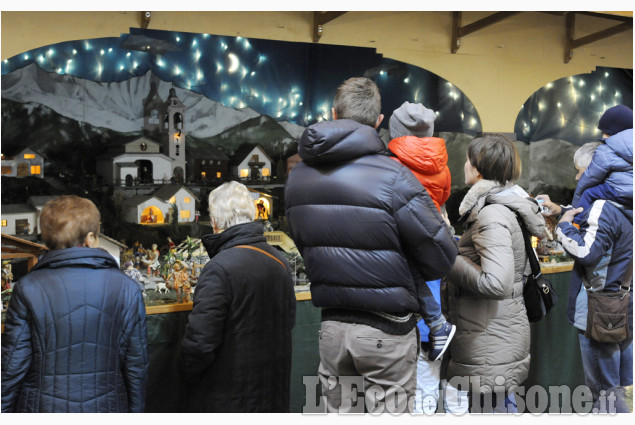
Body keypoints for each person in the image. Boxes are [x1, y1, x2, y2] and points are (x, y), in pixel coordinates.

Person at [285, 77, 458, 413]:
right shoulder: (394, 178)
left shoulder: (298, 178)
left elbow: (302, 238)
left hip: (333, 326)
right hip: (387, 331)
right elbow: (442, 255)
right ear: (379, 121)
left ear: (334, 113)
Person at [1, 195, 149, 413]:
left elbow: (11, 366)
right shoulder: (127, 289)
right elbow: (136, 367)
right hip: (107, 408)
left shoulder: (27, 288)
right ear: (90, 238)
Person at [445, 134, 546, 413]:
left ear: (477, 168)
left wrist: (447, 257)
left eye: (467, 160)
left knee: (494, 409)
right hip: (495, 331)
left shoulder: (492, 214)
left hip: (491, 335)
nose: (464, 165)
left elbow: (496, 282)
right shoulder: (500, 206)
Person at [180, 181, 296, 412]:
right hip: (274, 396)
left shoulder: (219, 268)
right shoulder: (280, 262)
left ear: (215, 222)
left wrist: (185, 374)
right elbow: (289, 323)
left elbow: (200, 343)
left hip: (227, 399)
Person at [537, 142, 633, 413]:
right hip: (624, 304)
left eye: (581, 171)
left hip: (600, 309)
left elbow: (587, 252)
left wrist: (564, 225)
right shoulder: (626, 200)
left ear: (596, 171)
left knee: (603, 395)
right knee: (615, 390)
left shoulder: (603, 206)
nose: (578, 178)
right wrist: (562, 210)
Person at [387, 101, 454, 412]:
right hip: (432, 261)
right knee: (428, 374)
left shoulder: (390, 165)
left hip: (399, 271)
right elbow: (441, 202)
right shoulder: (442, 165)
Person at [570, 105, 632, 224]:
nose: (603, 137)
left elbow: (590, 178)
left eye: (605, 132)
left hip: (618, 191)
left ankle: (576, 223)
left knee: (589, 193)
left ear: (615, 132)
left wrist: (575, 206)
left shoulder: (606, 150)